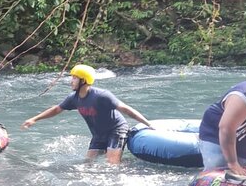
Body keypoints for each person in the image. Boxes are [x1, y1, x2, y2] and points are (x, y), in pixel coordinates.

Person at [21, 64, 152, 164]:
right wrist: (34, 119)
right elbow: (56, 109)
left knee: (112, 165)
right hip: (98, 134)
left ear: (83, 80)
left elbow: (126, 109)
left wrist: (147, 124)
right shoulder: (74, 98)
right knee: (87, 164)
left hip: (116, 130)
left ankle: (126, 167)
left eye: (74, 78)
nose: (71, 81)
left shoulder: (101, 96)